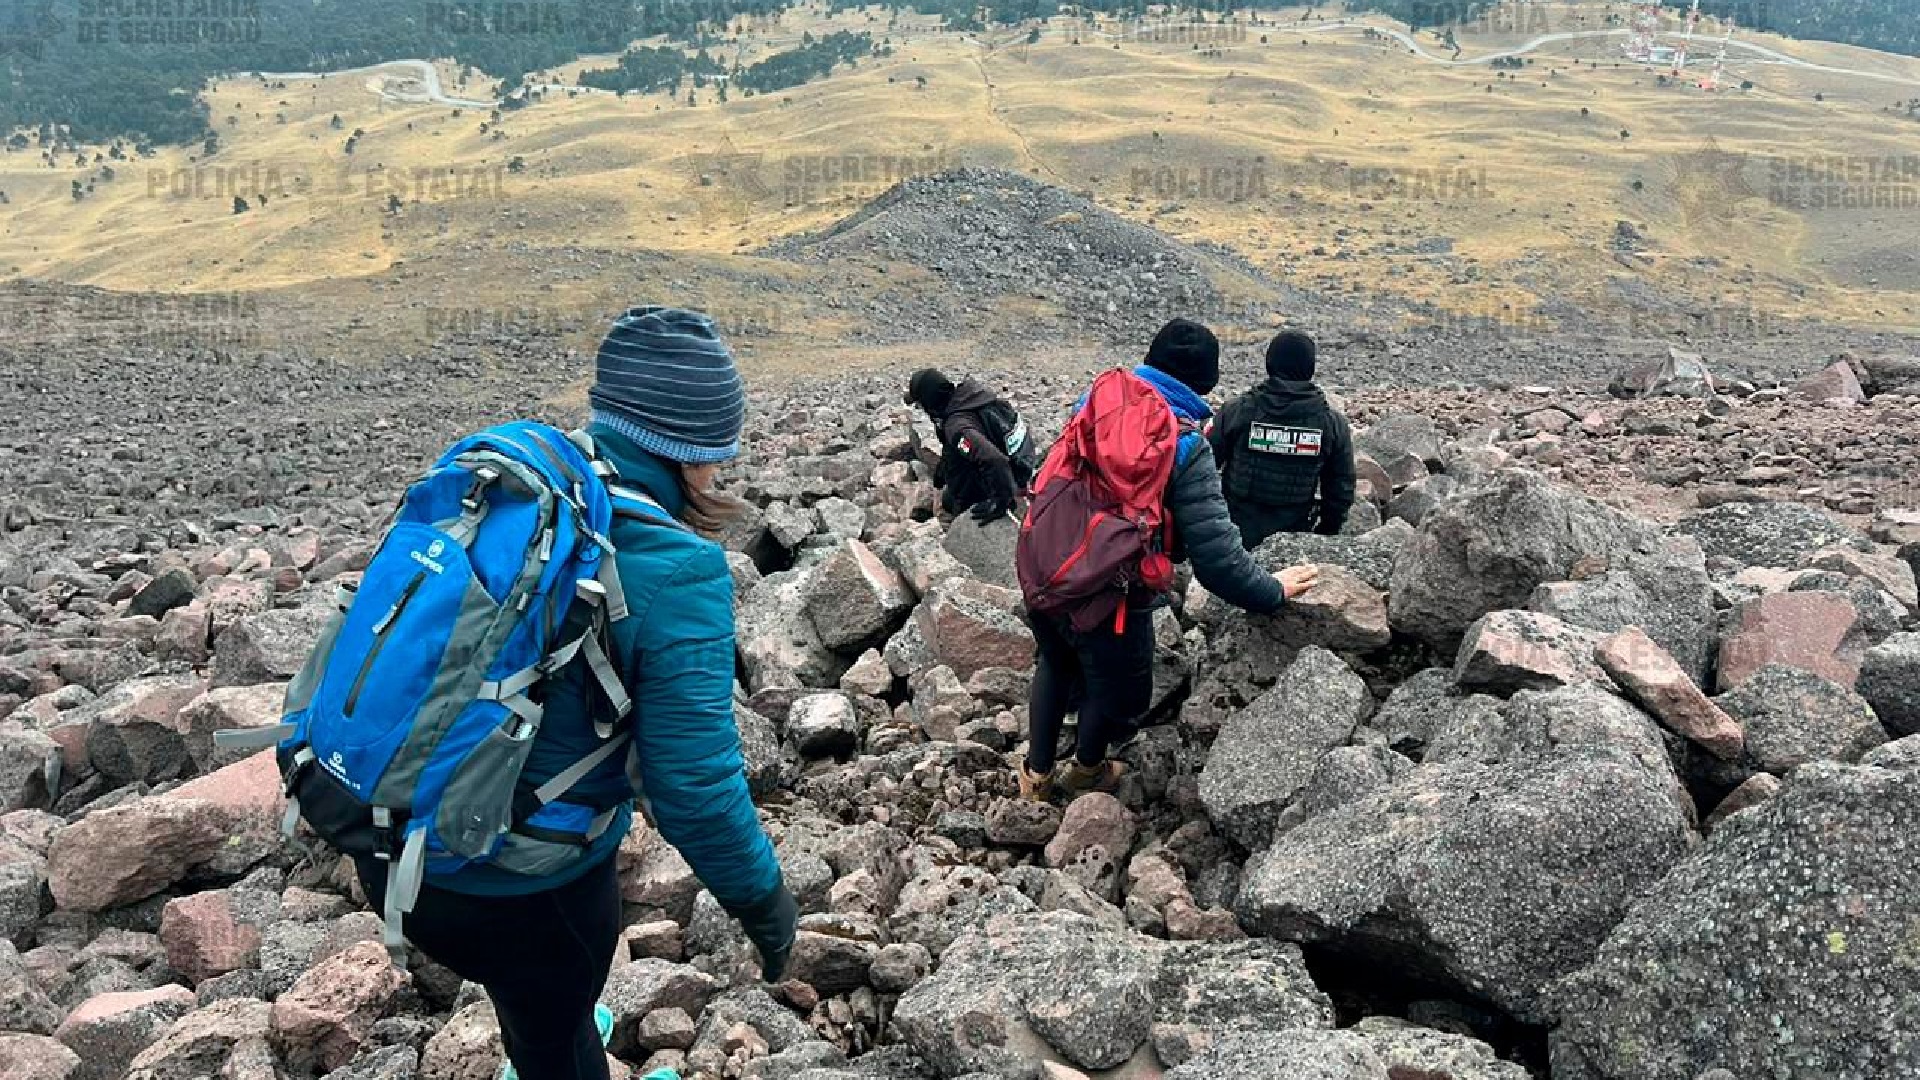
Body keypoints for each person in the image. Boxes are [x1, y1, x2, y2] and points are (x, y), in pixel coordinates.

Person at [355, 307, 796, 1080]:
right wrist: (769, 914)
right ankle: (553, 1042)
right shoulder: (679, 569)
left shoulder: (506, 488)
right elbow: (694, 793)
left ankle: (550, 1029)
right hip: (522, 899)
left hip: (386, 840)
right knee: (551, 1026)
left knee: (542, 1013)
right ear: (695, 450)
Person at [1020, 319, 1320, 799]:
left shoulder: (1093, 402)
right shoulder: (1184, 442)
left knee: (1055, 661)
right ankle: (1086, 770)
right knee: (1116, 689)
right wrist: (1272, 590)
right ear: (1206, 382)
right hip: (1112, 594)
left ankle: (1033, 776)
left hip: (1045, 567)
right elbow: (1217, 559)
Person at [1209, 329, 1357, 550]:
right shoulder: (1331, 424)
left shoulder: (1237, 410)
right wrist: (1326, 531)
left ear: (1269, 363)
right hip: (1294, 540)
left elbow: (1205, 467)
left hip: (1233, 538)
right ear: (1310, 368)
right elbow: (1340, 488)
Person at [904, 368, 1039, 523]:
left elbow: (994, 458)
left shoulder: (956, 426)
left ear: (929, 402)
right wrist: (941, 474)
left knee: (948, 501)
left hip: (1003, 481)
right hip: (1021, 463)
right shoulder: (972, 397)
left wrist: (1001, 501)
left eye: (921, 405)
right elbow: (955, 448)